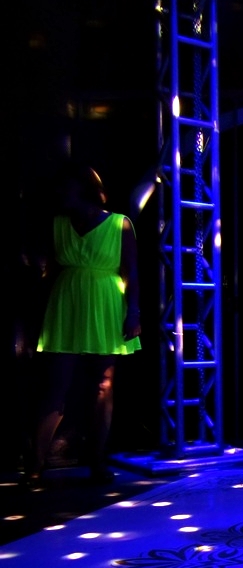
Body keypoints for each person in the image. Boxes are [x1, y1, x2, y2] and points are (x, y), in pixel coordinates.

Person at [21, 163, 142, 486]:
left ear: (83, 189)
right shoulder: (58, 223)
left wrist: (133, 312)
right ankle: (36, 464)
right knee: (55, 387)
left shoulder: (119, 224)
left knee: (103, 385)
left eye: (66, 187)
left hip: (105, 304)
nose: (60, 193)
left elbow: (131, 270)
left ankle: (98, 461)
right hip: (67, 305)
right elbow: (49, 272)